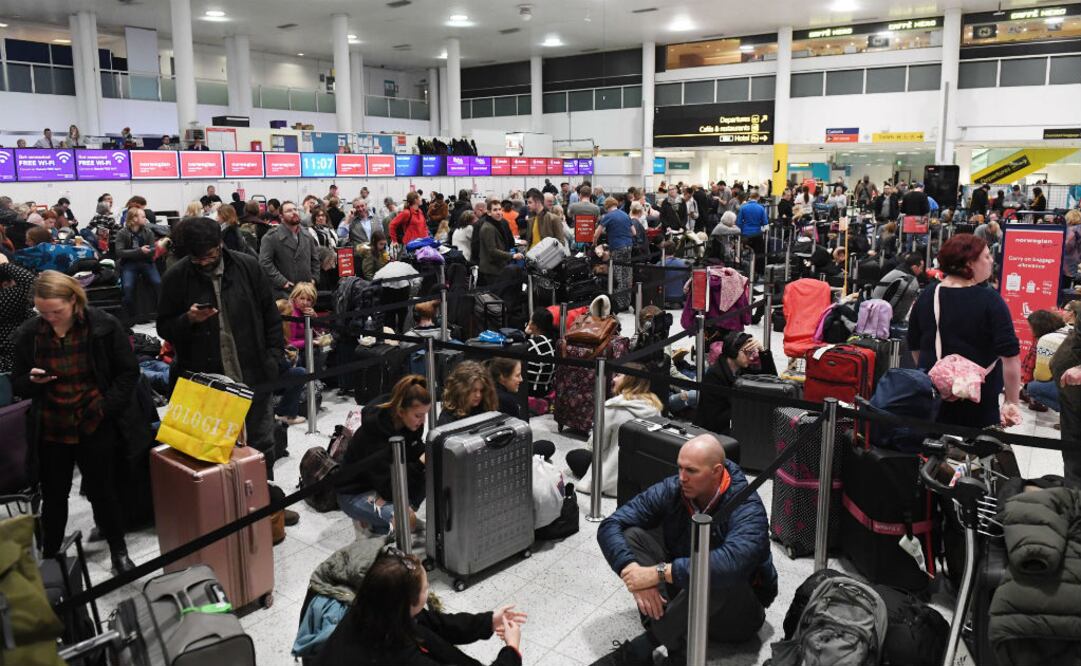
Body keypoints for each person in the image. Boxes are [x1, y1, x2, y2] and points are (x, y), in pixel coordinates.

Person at [593, 435, 776, 666]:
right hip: (686, 593)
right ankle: (676, 645)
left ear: (717, 471)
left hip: (738, 615)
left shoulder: (746, 505)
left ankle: (643, 646)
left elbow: (732, 563)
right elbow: (611, 525)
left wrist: (658, 573)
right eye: (679, 468)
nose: (682, 478)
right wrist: (634, 572)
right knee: (632, 538)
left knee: (714, 572)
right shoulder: (674, 489)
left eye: (691, 471)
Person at [11, 271, 144, 573]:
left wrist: (104, 407)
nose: (50, 318)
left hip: (93, 421)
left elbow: (127, 373)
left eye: (56, 311)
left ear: (74, 300)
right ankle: (50, 554)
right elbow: (18, 382)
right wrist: (32, 381)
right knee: (54, 494)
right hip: (51, 426)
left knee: (103, 490)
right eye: (43, 312)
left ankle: (118, 550)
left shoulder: (103, 326)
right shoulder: (30, 333)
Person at [157, 217, 291, 491]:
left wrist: (275, 357)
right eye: (197, 259)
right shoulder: (176, 277)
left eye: (209, 255)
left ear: (219, 244)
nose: (204, 262)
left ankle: (267, 508)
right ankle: (226, 513)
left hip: (253, 372)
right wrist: (188, 319)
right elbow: (164, 327)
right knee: (212, 452)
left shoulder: (247, 266)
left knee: (262, 444)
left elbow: (270, 314)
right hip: (207, 382)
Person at [315, 545, 525, 666]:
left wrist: (488, 621)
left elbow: (437, 623)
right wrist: (512, 650)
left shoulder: (373, 610)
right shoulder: (403, 658)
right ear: (408, 602)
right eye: (426, 588)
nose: (429, 591)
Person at [907, 234, 1021, 429]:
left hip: (933, 395)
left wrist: (940, 376)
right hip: (978, 400)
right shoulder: (991, 300)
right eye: (986, 256)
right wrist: (1012, 402)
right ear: (969, 263)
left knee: (934, 451)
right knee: (977, 453)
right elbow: (1010, 357)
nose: (991, 260)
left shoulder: (928, 294)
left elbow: (915, 345)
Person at [335, 375, 432, 535]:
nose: (423, 421)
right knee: (405, 520)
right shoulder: (373, 434)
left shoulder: (412, 425)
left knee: (430, 475)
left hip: (382, 483)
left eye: (425, 414)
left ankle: (384, 526)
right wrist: (421, 463)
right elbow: (388, 487)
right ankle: (376, 526)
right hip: (355, 493)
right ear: (401, 411)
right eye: (418, 415)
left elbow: (413, 455)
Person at [566, 363, 662, 496]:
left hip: (612, 478)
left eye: (618, 375)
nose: (613, 379)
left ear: (629, 379)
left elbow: (597, 445)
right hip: (642, 478)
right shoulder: (655, 407)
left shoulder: (613, 407)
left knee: (574, 456)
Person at [688, 332, 764, 432]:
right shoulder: (715, 376)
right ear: (733, 352)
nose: (751, 357)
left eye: (752, 352)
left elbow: (771, 381)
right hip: (712, 433)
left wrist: (763, 352)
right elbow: (714, 418)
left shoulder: (744, 368)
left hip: (734, 424)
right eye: (747, 352)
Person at [259, 201, 321, 299]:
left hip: (306, 292)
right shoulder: (271, 237)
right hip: (284, 293)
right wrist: (282, 282)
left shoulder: (307, 235)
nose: (294, 212)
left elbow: (315, 259)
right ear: (281, 216)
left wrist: (314, 279)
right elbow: (265, 263)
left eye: (295, 209)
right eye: (289, 211)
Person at [114, 205, 162, 316]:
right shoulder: (122, 233)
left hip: (146, 262)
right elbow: (119, 252)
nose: (145, 219)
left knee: (158, 283)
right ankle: (129, 315)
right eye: (143, 217)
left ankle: (160, 312)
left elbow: (153, 248)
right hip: (129, 264)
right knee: (127, 287)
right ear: (134, 219)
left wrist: (154, 249)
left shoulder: (148, 231)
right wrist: (139, 251)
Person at [1021, 309, 1067, 414]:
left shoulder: (1044, 341)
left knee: (1032, 388)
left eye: (1030, 327)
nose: (1029, 330)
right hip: (1065, 381)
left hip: (1062, 384)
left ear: (1037, 327)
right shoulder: (1062, 333)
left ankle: (1068, 413)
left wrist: (1027, 385)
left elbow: (1038, 373)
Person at [596, 198, 636, 311]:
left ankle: (618, 304)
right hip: (629, 246)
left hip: (617, 247)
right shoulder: (625, 215)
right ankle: (627, 302)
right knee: (627, 274)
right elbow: (634, 232)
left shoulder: (608, 216)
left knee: (617, 274)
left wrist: (594, 243)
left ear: (607, 207)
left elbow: (597, 233)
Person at [0, 257, 35, 372]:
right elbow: (31, 282)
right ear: (6, 285)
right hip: (14, 361)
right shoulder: (6, 299)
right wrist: (4, 264)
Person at [872, 252, 925, 325]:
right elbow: (901, 310)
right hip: (884, 319)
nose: (921, 271)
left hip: (874, 311)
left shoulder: (899, 270)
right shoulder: (909, 280)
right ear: (914, 267)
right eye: (921, 268)